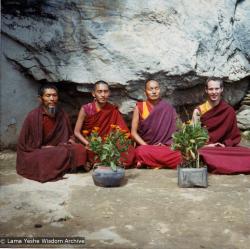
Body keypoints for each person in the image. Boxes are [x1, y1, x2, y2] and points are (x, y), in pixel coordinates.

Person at [16, 84, 86, 183]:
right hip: (41, 151)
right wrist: (43, 148)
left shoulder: (62, 114)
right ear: (40, 99)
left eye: (54, 95)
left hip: (59, 148)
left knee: (79, 148)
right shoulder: (33, 116)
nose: (52, 99)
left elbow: (69, 135)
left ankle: (58, 165)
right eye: (48, 96)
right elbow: (24, 145)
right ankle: (63, 166)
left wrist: (71, 140)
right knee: (40, 158)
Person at [192, 77, 250, 174]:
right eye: (211, 89)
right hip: (206, 148)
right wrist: (209, 145)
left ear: (221, 89)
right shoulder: (199, 111)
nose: (214, 92)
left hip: (223, 148)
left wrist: (224, 144)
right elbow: (194, 138)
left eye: (217, 89)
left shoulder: (229, 110)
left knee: (247, 153)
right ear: (206, 90)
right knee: (199, 153)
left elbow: (234, 136)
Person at [74, 80, 135, 168]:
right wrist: (88, 144)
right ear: (93, 94)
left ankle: (101, 162)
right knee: (82, 150)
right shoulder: (86, 109)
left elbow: (122, 131)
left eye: (105, 91)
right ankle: (109, 162)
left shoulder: (112, 109)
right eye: (99, 92)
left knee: (127, 148)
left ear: (109, 93)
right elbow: (76, 132)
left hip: (109, 143)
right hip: (93, 143)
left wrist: (115, 142)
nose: (103, 95)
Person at [131, 79, 182, 169]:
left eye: (156, 88)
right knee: (139, 151)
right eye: (150, 89)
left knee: (180, 154)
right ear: (145, 92)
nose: (154, 92)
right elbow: (133, 133)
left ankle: (150, 163)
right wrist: (147, 146)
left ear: (160, 90)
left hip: (164, 147)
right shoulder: (140, 107)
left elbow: (179, 130)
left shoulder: (168, 108)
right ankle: (159, 163)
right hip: (146, 147)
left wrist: (168, 144)